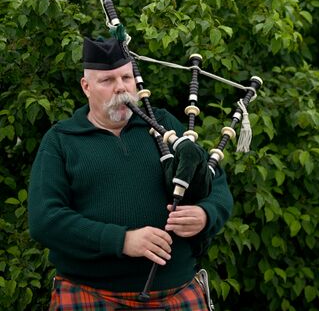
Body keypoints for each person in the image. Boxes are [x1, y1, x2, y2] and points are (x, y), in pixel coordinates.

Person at [28, 37, 233, 310]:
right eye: (107, 80)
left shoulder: (164, 125)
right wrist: (122, 240)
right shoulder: (61, 140)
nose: (121, 88)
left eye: (126, 77)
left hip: (177, 291)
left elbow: (214, 181)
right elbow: (45, 220)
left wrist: (206, 214)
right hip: (91, 293)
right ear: (86, 87)